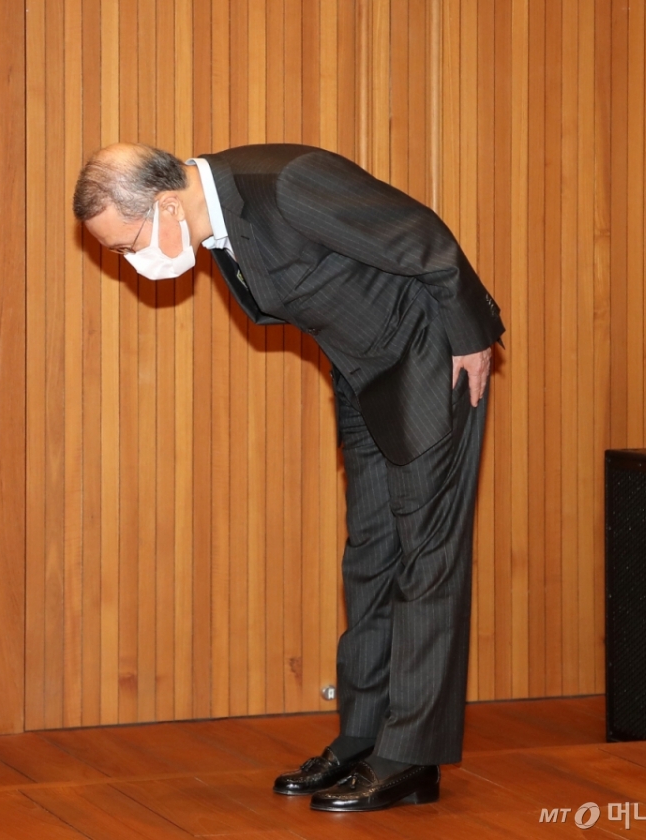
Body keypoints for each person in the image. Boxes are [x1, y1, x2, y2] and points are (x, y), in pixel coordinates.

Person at [73, 143, 503, 812]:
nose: (132, 263)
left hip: (431, 360)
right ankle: (362, 737)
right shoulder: (208, 217)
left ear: (163, 205)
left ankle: (409, 758)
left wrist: (471, 337)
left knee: (426, 558)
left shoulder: (290, 183)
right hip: (363, 374)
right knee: (370, 557)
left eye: (127, 245)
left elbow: (423, 236)